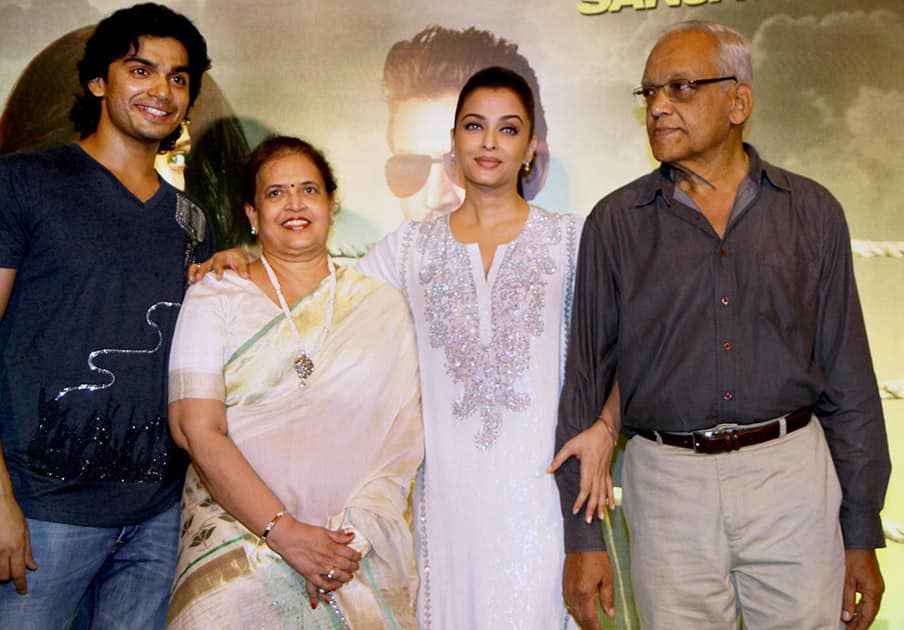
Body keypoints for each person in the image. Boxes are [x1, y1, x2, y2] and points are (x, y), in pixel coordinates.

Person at [195, 66, 618, 629]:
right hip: (442, 506)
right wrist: (249, 261)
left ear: (531, 149)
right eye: (474, 126)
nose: (489, 142)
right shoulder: (410, 249)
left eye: (508, 129)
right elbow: (321, 292)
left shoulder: (574, 239)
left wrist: (607, 428)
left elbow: (624, 349)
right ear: (454, 142)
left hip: (542, 502)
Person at [556, 20, 891, 630]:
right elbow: (584, 383)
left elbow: (849, 381)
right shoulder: (615, 224)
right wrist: (583, 541)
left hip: (792, 478)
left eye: (680, 89)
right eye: (650, 93)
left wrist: (861, 529)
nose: (658, 107)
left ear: (738, 101)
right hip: (666, 487)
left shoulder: (812, 213)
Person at [0, 4, 214, 627]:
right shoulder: (18, 184)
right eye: (140, 69)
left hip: (157, 524)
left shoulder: (193, 220)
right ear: (97, 81)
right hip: (38, 517)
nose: (160, 90)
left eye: (178, 77)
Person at [166, 135, 422, 628]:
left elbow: (403, 442)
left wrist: (344, 544)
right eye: (275, 193)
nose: (295, 204)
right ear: (252, 213)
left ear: (331, 204)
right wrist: (285, 535)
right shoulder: (215, 294)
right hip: (235, 557)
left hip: (351, 558)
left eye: (308, 189)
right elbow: (195, 429)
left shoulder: (381, 307)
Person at [382, 26, 550, 221]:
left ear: (537, 169)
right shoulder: (385, 250)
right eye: (410, 169)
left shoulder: (576, 244)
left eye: (460, 164)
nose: (434, 198)